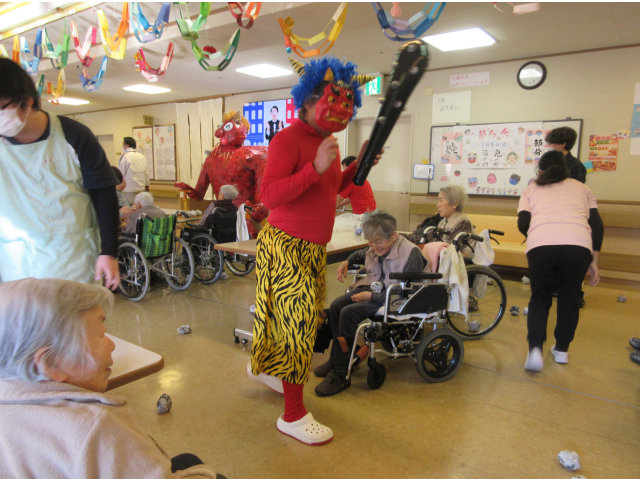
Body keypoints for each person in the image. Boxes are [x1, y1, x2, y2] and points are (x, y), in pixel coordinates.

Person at [248, 56, 379, 446]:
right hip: (285, 246)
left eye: (346, 102)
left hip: (310, 250)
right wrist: (315, 167)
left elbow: (330, 189)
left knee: (290, 321)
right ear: (306, 101)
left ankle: (268, 370)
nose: (339, 108)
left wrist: (357, 167)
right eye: (331, 99)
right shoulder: (287, 140)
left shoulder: (328, 144)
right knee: (298, 327)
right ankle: (292, 416)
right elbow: (270, 196)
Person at [0, 277, 220, 478]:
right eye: (101, 334)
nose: (112, 344)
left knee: (187, 459)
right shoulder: (96, 429)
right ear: (52, 363)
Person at [0, 58, 119, 289]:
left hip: (74, 256)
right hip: (17, 261)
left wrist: (109, 251)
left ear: (27, 99)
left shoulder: (73, 134)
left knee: (79, 309)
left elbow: (103, 193)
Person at [314, 213, 426, 396]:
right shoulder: (376, 247)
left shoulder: (410, 254)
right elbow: (360, 253)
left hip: (395, 298)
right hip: (376, 289)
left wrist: (371, 297)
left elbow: (407, 292)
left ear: (394, 235)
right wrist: (347, 261)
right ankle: (340, 359)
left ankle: (341, 374)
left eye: (378, 241)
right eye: (370, 242)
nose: (373, 246)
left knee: (348, 312)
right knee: (336, 306)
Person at [517, 150, 603, 372]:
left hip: (541, 245)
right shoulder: (582, 188)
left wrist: (537, 235)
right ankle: (562, 350)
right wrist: (594, 260)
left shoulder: (531, 188)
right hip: (578, 246)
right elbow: (596, 225)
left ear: (540, 171)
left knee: (540, 297)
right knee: (569, 298)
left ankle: (535, 351)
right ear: (565, 169)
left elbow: (523, 222)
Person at [401, 184, 476, 260]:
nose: (438, 205)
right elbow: (428, 237)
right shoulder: (444, 221)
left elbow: (451, 249)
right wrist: (401, 237)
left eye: (441, 201)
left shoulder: (463, 223)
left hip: (458, 263)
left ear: (454, 204)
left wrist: (425, 247)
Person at [335, 156, 378, 220]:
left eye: (344, 168)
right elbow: (352, 198)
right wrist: (340, 205)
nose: (343, 171)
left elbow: (338, 199)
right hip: (372, 211)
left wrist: (327, 210)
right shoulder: (360, 178)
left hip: (365, 215)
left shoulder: (351, 181)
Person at [119, 136, 150, 204]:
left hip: (129, 189)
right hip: (141, 188)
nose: (123, 146)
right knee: (140, 206)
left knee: (130, 207)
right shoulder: (142, 156)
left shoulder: (126, 156)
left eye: (123, 144)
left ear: (127, 145)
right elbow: (146, 173)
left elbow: (120, 173)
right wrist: (147, 185)